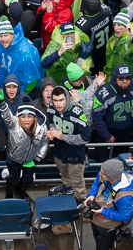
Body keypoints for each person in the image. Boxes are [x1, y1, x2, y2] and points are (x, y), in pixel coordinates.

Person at [0, 84, 49, 200]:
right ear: (19, 117)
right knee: (13, 179)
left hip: (31, 160)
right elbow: (6, 115)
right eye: (23, 116)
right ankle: (9, 194)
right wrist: (2, 102)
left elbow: (45, 143)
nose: (26, 119)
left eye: (29, 116)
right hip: (14, 158)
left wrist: (37, 159)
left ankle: (21, 192)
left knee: (28, 179)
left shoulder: (42, 128)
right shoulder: (13, 124)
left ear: (34, 117)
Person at [46, 85, 91, 232]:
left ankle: (80, 200)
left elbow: (85, 137)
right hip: (59, 152)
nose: (58, 104)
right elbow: (50, 121)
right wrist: (52, 131)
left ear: (67, 98)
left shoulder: (77, 113)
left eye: (61, 100)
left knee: (77, 180)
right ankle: (68, 189)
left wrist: (63, 137)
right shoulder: (51, 108)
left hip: (75, 155)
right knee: (64, 175)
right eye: (55, 100)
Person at [93, 64, 133, 153]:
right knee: (102, 159)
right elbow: (97, 117)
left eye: (127, 78)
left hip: (126, 132)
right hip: (107, 131)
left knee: (123, 158)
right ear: (115, 78)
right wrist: (106, 135)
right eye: (121, 79)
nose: (124, 81)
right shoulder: (102, 94)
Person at [83, 159, 133, 250]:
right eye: (101, 171)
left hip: (107, 226)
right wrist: (91, 195)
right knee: (97, 238)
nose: (99, 174)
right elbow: (96, 184)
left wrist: (103, 211)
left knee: (103, 246)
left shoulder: (125, 197)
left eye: (103, 174)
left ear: (112, 177)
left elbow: (125, 217)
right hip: (96, 219)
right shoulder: (104, 174)